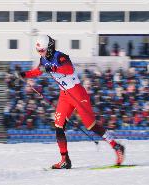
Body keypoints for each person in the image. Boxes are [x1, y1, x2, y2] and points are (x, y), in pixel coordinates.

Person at [16, 34, 125, 169]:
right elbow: (37, 71)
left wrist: (52, 68)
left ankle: (117, 146)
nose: (41, 54)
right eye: (38, 51)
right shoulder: (43, 60)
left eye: (42, 50)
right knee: (58, 126)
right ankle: (65, 159)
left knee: (91, 126)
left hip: (77, 93)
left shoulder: (60, 56)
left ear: (49, 48)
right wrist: (24, 74)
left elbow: (69, 69)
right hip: (65, 95)